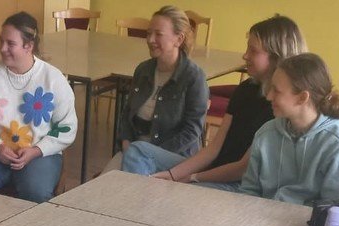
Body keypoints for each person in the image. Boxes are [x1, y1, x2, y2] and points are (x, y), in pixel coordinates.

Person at [121, 14, 306, 186]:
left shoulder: (282, 106)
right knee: (138, 150)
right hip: (212, 170)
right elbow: (213, 149)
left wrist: (193, 178)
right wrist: (173, 174)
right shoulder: (245, 89)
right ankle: (133, 210)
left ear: (276, 57)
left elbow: (242, 169)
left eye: (253, 50)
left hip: (235, 184)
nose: (245, 55)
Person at [0, 12, 77, 203]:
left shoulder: (54, 79)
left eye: (10, 44)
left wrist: (36, 150)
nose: (3, 48)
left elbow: (67, 128)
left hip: (39, 155)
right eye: (1, 41)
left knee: (36, 193)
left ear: (28, 46)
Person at [218, 53, 339, 203]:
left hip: (307, 224)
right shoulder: (266, 132)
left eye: (277, 91)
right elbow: (249, 191)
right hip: (260, 218)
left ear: (302, 98)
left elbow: (333, 208)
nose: (269, 96)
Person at [103, 6, 207, 173]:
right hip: (135, 151)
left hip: (174, 156)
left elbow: (192, 131)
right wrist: (126, 141)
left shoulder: (194, 77)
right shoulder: (143, 70)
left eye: (158, 34)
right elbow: (127, 113)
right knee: (103, 186)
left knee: (126, 189)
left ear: (178, 39)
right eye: (148, 33)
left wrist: (151, 152)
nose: (150, 39)